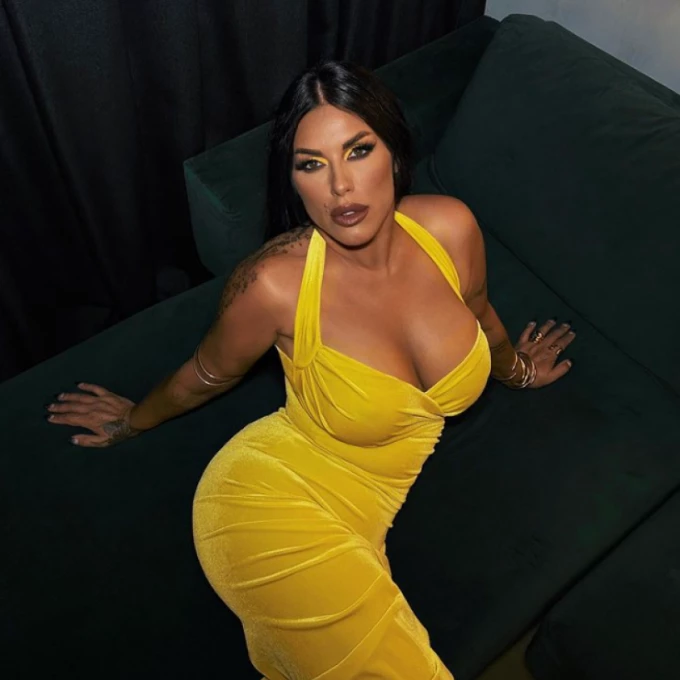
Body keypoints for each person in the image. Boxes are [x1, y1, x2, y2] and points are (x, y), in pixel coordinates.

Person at [46, 61, 575, 678]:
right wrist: (130, 422)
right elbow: (206, 373)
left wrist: (519, 372)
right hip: (270, 499)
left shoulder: (450, 227)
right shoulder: (273, 284)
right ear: (293, 182)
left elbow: (480, 312)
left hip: (370, 509)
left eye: (358, 150)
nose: (341, 187)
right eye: (311, 164)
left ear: (394, 154)